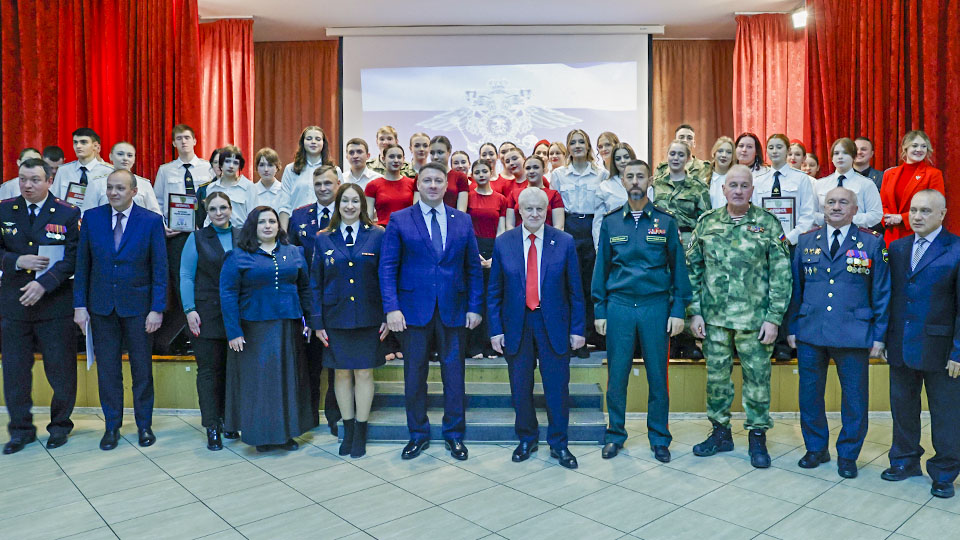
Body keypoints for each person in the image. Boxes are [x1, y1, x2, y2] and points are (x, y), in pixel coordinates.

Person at [687, 165, 792, 469]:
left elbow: (781, 274)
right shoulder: (707, 223)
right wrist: (694, 312)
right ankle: (720, 433)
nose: (738, 190)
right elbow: (692, 270)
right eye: (732, 185)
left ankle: (757, 435)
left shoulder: (768, 223)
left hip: (755, 320)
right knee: (717, 379)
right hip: (715, 319)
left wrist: (774, 318)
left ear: (752, 190)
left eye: (744, 185)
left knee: (757, 379)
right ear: (723, 189)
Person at [380, 162, 483, 461]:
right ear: (418, 184)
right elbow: (387, 268)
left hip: (454, 309)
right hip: (412, 311)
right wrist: (392, 308)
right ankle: (418, 434)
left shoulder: (462, 220)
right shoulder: (400, 220)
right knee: (414, 376)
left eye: (439, 180)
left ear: (447, 186)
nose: (434, 185)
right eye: (427, 180)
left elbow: (473, 268)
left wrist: (475, 307)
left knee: (455, 376)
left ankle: (454, 434)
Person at [786, 186, 890, 479]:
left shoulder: (872, 243)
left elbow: (882, 291)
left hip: (854, 332)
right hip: (811, 330)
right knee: (809, 395)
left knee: (855, 399)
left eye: (843, 202)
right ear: (823, 208)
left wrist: (879, 335)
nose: (836, 207)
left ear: (855, 210)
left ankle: (848, 454)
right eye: (830, 202)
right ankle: (816, 448)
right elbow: (795, 289)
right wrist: (792, 327)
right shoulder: (806, 241)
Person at [593, 159, 691, 463]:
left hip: (655, 306)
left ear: (650, 181)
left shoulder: (666, 221)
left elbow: (679, 269)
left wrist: (678, 310)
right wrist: (600, 310)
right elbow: (601, 268)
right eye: (629, 176)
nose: (635, 181)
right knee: (617, 375)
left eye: (640, 176)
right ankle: (615, 435)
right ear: (622, 181)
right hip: (620, 306)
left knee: (658, 376)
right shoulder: (611, 222)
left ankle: (659, 437)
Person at [488, 187, 584, 469]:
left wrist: (578, 329)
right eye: (528, 208)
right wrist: (495, 329)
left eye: (539, 209)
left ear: (547, 211)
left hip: (553, 324)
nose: (534, 214)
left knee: (557, 388)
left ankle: (559, 444)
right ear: (519, 210)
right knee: (520, 387)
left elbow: (576, 291)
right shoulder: (504, 242)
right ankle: (526, 438)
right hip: (516, 325)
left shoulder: (564, 241)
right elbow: (494, 292)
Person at [74, 169, 167, 451]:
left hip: (139, 309)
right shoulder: (92, 218)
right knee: (108, 371)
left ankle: (144, 425)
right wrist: (80, 305)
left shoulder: (151, 221)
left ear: (134, 192)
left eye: (120, 188)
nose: (113, 193)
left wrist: (157, 308)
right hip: (102, 307)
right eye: (110, 187)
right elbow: (82, 265)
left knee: (142, 370)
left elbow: (160, 268)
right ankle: (112, 426)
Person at [883, 189, 960, 499]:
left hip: (942, 350)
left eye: (925, 211)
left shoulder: (955, 248)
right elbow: (892, 296)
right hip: (901, 344)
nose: (917, 216)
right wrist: (886, 339)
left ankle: (944, 472)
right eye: (913, 210)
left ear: (942, 214)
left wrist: (959, 350)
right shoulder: (898, 248)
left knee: (946, 414)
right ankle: (905, 460)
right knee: (903, 407)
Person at [0, 159, 80, 454]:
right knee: (15, 372)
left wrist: (44, 283)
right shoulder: (5, 209)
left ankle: (60, 426)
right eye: (23, 179)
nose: (27, 185)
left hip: (54, 304)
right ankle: (20, 430)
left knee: (61, 370)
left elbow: (73, 257)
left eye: (34, 179)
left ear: (49, 181)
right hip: (15, 304)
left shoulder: (67, 212)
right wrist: (16, 260)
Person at [220, 206, 315, 452]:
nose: (268, 226)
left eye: (272, 221)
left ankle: (286, 435)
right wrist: (233, 331)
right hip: (253, 330)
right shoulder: (238, 256)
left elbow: (305, 289)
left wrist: (311, 321)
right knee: (261, 384)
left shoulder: (294, 252)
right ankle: (261, 436)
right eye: (262, 222)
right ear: (253, 226)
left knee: (286, 381)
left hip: (288, 328)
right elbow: (228, 294)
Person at [310, 183, 387, 458]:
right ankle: (349, 428)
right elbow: (315, 282)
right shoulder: (324, 238)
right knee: (341, 373)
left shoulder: (377, 235)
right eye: (345, 201)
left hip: (369, 315)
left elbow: (386, 276)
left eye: (355, 201)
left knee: (364, 373)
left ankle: (361, 431)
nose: (350, 206)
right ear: (337, 205)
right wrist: (317, 322)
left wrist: (388, 314)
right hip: (335, 317)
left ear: (363, 205)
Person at [179, 192, 240, 451]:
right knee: (209, 372)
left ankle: (230, 420)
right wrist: (189, 309)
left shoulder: (242, 236)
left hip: (237, 316)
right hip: (205, 315)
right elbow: (186, 276)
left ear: (230, 209)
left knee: (232, 371)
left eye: (223, 207)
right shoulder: (197, 238)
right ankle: (212, 425)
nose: (218, 213)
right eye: (213, 209)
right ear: (206, 212)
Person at [289, 165, 342, 435]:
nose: (323, 188)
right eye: (318, 184)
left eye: (328, 183)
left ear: (338, 184)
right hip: (306, 301)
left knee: (336, 364)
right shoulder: (299, 216)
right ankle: (308, 418)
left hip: (339, 300)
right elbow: (289, 256)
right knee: (308, 364)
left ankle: (335, 417)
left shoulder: (347, 213)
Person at [153, 125, 215, 354]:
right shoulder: (165, 170)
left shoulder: (208, 168)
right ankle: (185, 334)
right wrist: (163, 226)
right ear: (173, 143)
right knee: (181, 281)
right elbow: (158, 202)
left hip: (202, 233)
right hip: (176, 235)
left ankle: (202, 332)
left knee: (202, 279)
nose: (184, 141)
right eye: (179, 138)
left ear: (195, 140)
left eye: (187, 137)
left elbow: (214, 198)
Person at [650, 139, 710, 360]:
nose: (675, 158)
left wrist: (696, 244)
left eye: (680, 154)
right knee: (663, 286)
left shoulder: (698, 187)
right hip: (660, 242)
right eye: (672, 154)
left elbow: (705, 219)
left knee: (686, 287)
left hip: (688, 241)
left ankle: (687, 340)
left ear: (688, 158)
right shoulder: (655, 184)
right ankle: (668, 339)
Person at [551, 129, 608, 357]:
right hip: (569, 228)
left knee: (590, 285)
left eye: (581, 142)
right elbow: (555, 207)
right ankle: (574, 336)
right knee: (570, 287)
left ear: (588, 146)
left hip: (593, 229)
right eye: (573, 142)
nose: (577, 146)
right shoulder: (559, 174)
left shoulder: (601, 174)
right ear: (568, 147)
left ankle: (592, 335)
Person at [465, 159, 506, 358]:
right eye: (477, 172)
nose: (481, 175)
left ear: (491, 172)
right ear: (472, 175)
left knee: (493, 298)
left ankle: (492, 345)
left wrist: (495, 256)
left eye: (484, 171)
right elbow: (464, 226)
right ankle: (473, 347)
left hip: (494, 248)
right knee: (474, 297)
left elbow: (502, 229)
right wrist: (474, 252)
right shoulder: (468, 197)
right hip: (472, 247)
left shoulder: (501, 199)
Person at [880, 130, 946, 247]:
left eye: (923, 146)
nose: (919, 149)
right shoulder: (889, 174)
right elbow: (881, 204)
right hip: (891, 236)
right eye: (915, 145)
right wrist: (887, 218)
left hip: (918, 235)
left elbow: (935, 206)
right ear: (905, 148)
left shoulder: (933, 174)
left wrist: (902, 218)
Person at [279, 126, 343, 228]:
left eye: (318, 139)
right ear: (302, 142)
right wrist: (283, 232)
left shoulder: (335, 170)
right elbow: (284, 205)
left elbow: (341, 201)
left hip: (328, 224)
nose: (313, 142)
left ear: (323, 143)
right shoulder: (291, 169)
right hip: (297, 224)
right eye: (309, 139)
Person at [812, 138, 882, 228]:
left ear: (854, 157)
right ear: (832, 158)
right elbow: (810, 213)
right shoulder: (820, 184)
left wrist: (849, 219)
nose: (840, 157)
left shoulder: (866, 184)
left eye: (845, 153)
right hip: (827, 232)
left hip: (856, 233)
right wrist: (826, 218)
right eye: (836, 153)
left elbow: (876, 214)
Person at [82, 142, 161, 215]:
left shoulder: (144, 184)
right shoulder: (96, 184)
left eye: (129, 155)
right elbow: (87, 213)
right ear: (111, 156)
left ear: (134, 159)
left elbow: (155, 213)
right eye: (120, 154)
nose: (125, 158)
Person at [51, 128, 114, 201]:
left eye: (83, 142)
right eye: (75, 142)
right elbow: (54, 199)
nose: (78, 146)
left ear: (96, 146)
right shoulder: (63, 171)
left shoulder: (109, 172)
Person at [204, 146, 259, 228]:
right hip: (216, 232)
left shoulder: (249, 187)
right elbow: (208, 217)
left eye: (235, 163)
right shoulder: (211, 188)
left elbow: (253, 218)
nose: (231, 166)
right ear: (221, 164)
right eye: (227, 161)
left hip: (241, 232)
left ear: (240, 166)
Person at [505, 156, 564, 230]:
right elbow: (509, 225)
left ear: (544, 170)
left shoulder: (554, 195)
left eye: (536, 167)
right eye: (528, 168)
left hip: (547, 236)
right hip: (519, 236)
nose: (531, 171)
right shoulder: (514, 194)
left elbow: (559, 226)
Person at [592, 143, 634, 248]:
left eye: (626, 157)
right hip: (615, 242)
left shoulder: (645, 185)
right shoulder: (604, 187)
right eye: (618, 159)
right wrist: (599, 248)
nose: (623, 161)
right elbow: (598, 222)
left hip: (641, 242)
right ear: (614, 162)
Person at [364, 145, 416, 226]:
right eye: (391, 157)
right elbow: (368, 217)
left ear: (403, 159)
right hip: (383, 230)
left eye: (399, 157)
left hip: (407, 230)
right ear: (383, 159)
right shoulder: (372, 185)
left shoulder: (412, 183)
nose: (396, 160)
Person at [428, 135, 470, 210]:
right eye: (432, 153)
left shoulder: (460, 177)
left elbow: (461, 211)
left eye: (440, 152)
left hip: (452, 217)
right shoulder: (422, 176)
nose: (435, 157)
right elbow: (416, 208)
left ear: (449, 151)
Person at [253, 147, 285, 212]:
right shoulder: (250, 191)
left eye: (270, 165)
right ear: (257, 167)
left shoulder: (284, 191)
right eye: (262, 165)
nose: (266, 169)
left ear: (277, 167)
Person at [708, 137, 736, 209]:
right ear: (714, 154)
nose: (724, 155)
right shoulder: (704, 180)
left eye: (729, 152)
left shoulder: (737, 180)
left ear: (733, 156)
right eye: (720, 151)